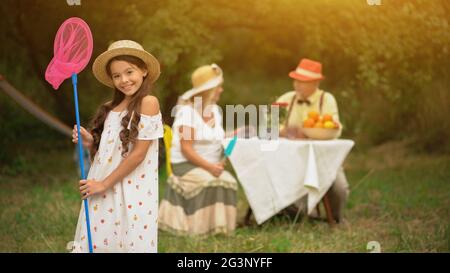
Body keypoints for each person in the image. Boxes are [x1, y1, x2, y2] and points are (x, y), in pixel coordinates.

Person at [70, 40, 163, 252]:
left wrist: (104, 184)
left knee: (129, 238)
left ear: (144, 70)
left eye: (129, 72)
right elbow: (109, 150)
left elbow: (138, 155)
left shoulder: (148, 102)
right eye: (116, 76)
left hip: (132, 188)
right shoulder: (109, 108)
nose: (124, 80)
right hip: (102, 183)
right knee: (102, 238)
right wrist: (90, 142)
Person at [158, 64, 238, 236]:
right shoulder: (187, 113)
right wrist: (210, 167)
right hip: (186, 164)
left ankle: (220, 229)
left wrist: (236, 134)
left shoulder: (215, 111)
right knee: (212, 181)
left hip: (210, 164)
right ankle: (198, 230)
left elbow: (216, 137)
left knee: (229, 181)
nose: (221, 90)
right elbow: (186, 149)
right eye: (218, 87)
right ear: (208, 90)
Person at [276, 58, 349, 223]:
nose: (297, 85)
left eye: (302, 82)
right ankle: (297, 216)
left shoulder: (327, 99)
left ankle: (336, 218)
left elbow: (335, 129)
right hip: (290, 159)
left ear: (315, 83)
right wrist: (284, 131)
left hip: (322, 158)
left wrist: (308, 133)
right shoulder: (285, 98)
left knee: (340, 188)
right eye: (296, 80)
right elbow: (268, 125)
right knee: (276, 178)